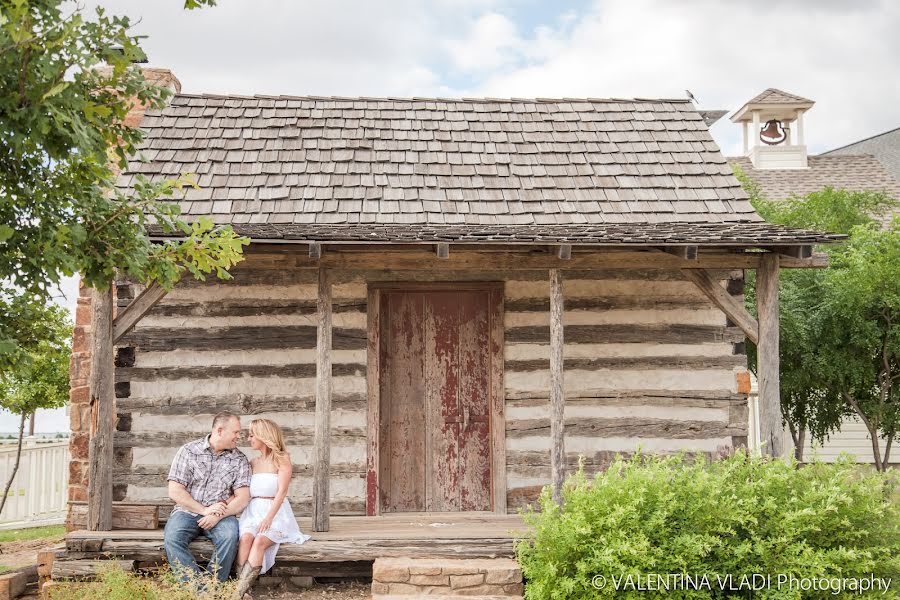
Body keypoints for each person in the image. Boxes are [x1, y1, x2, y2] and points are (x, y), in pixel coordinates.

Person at [164, 412, 251, 584]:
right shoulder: (188, 451)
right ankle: (198, 589)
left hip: (222, 515)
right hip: (187, 512)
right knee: (173, 537)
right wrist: (204, 510)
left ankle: (213, 586)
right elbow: (175, 490)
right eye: (236, 432)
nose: (239, 437)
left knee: (229, 536)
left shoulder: (239, 459)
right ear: (220, 430)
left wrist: (216, 515)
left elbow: (243, 497)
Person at [233, 418, 311, 598]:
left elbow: (282, 492)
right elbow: (243, 490)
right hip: (253, 510)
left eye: (252, 435)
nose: (248, 439)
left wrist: (268, 518)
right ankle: (244, 589)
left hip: (276, 511)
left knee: (260, 541)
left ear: (264, 436)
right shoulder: (252, 463)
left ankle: (237, 593)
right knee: (245, 539)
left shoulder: (282, 459)